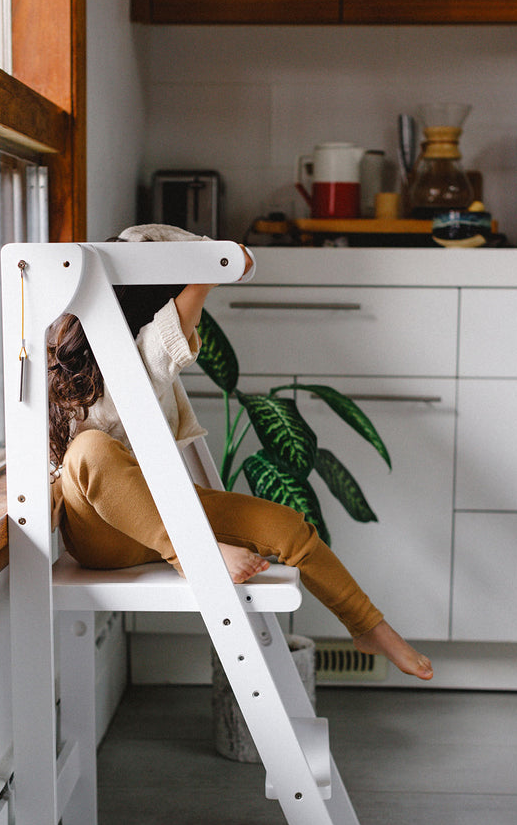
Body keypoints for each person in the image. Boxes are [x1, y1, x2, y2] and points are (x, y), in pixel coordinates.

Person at [47, 225, 433, 681]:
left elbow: (214, 265)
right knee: (90, 450)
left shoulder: (147, 350)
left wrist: (208, 258)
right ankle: (194, 554)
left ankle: (369, 626)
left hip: (165, 510)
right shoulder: (66, 354)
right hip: (104, 532)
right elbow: (210, 265)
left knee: (290, 528)